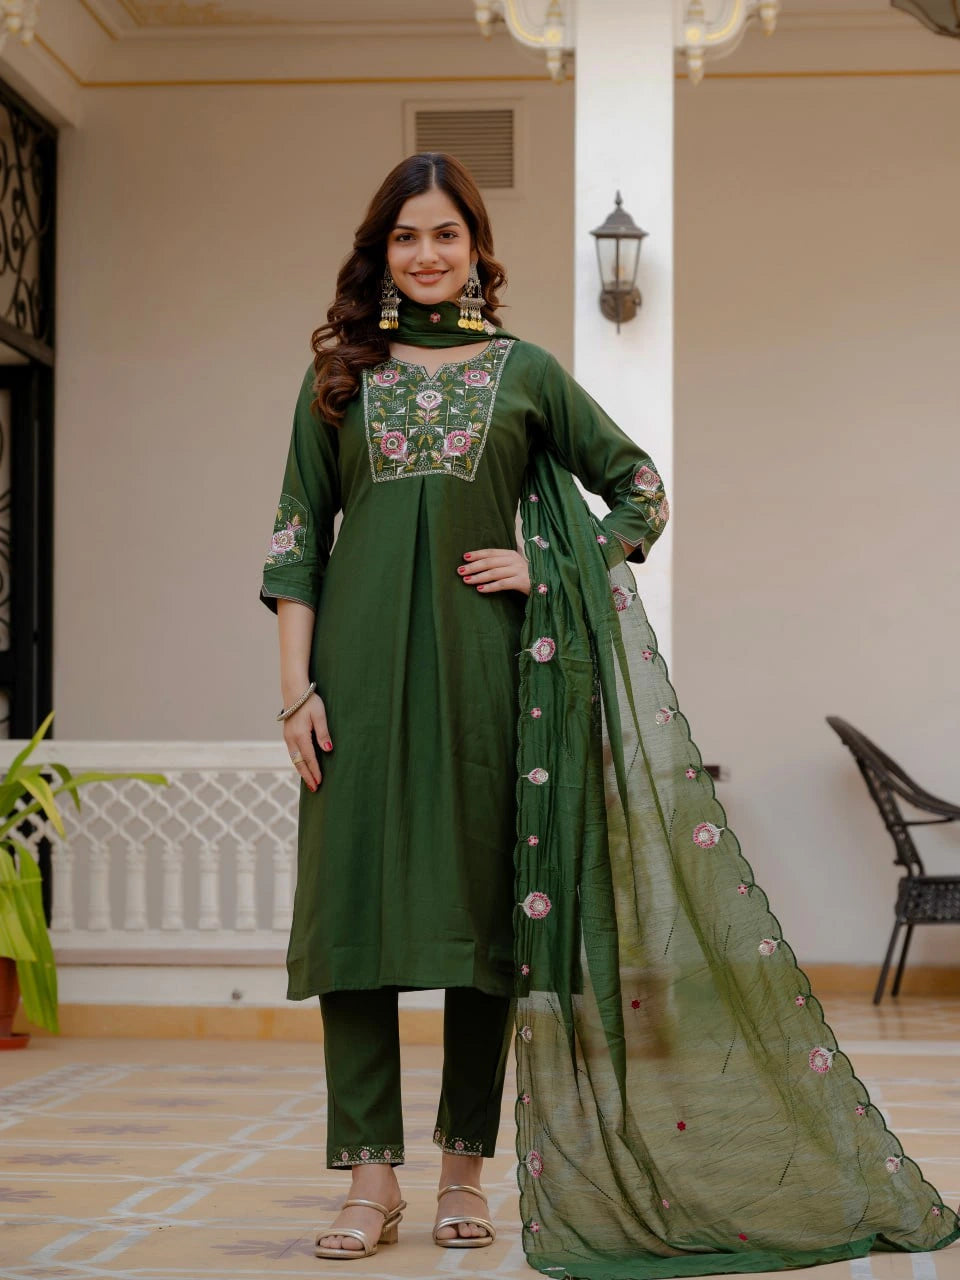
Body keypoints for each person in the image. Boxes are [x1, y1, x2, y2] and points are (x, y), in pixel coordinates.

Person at [261, 154, 959, 1273]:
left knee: (486, 935)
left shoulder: (527, 372)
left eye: (446, 235)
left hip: (493, 685)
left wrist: (553, 556)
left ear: (476, 248)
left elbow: (640, 489)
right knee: (357, 926)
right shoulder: (338, 377)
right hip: (355, 692)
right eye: (406, 238)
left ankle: (458, 1169)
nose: (427, 255)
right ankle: (367, 1175)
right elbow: (297, 536)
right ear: (379, 252)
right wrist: (293, 692)